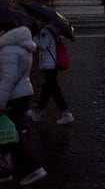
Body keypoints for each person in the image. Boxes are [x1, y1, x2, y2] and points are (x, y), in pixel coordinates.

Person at [0, 17, 47, 185]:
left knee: (13, 136)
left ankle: (32, 169)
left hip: (14, 96)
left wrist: (0, 103)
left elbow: (8, 79)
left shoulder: (8, 49)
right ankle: (7, 169)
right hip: (23, 93)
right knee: (12, 133)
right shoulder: (22, 46)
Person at [28, 19, 74, 125]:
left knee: (54, 89)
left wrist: (35, 38)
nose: (37, 22)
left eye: (39, 20)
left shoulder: (46, 30)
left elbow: (43, 46)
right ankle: (38, 111)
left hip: (49, 64)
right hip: (52, 63)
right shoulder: (53, 30)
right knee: (47, 89)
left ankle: (66, 113)